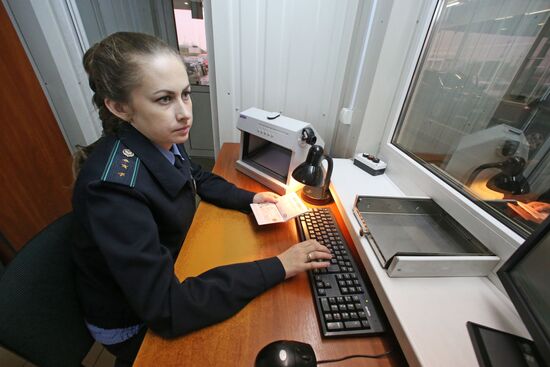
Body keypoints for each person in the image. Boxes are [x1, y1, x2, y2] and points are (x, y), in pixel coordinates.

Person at [71, 32, 332, 366]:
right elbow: (167, 309)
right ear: (120, 107)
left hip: (163, 272)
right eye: (164, 99)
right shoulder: (112, 191)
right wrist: (280, 265)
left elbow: (195, 175)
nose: (184, 113)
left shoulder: (158, 135)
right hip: (133, 322)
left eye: (185, 94)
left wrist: (251, 200)